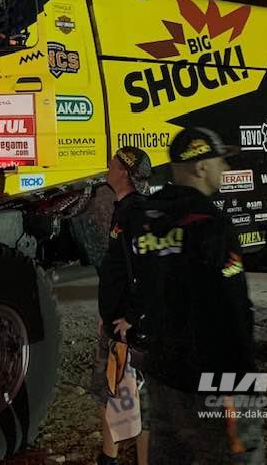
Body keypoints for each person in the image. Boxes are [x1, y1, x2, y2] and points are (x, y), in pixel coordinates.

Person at [133, 127, 264, 465]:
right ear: (201, 165)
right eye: (221, 161)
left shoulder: (145, 219)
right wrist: (243, 382)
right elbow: (231, 310)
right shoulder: (210, 223)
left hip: (162, 377)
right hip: (213, 382)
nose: (226, 168)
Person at [91, 147, 152, 465]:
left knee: (133, 399)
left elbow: (148, 270)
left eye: (113, 164)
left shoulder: (136, 213)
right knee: (114, 394)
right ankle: (109, 459)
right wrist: (107, 315)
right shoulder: (123, 208)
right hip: (116, 323)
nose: (108, 167)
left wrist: (131, 317)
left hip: (128, 329)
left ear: (125, 173)